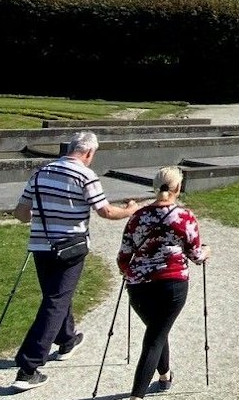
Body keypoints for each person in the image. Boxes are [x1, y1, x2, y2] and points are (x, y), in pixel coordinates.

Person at [9, 130, 143, 391]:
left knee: (56, 296)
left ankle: (67, 339)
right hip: (71, 248)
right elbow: (105, 211)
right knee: (55, 301)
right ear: (89, 152)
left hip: (41, 246)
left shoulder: (40, 173)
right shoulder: (85, 175)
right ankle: (28, 367)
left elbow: (21, 214)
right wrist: (131, 210)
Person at [118, 166, 208, 398]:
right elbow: (196, 255)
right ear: (178, 188)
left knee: (157, 330)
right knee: (155, 336)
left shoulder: (138, 216)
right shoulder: (184, 217)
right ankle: (137, 395)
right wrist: (207, 252)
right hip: (172, 284)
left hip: (139, 287)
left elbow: (124, 256)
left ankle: (165, 375)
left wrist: (130, 273)